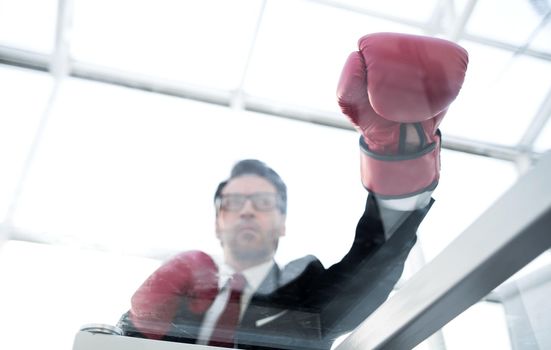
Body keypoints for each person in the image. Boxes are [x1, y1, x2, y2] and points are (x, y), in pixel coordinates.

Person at [117, 32, 468, 349]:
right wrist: (135, 325)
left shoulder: (303, 290)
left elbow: (364, 278)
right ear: (217, 223)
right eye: (234, 202)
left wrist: (399, 155)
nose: (248, 210)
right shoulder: (181, 298)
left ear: (282, 223)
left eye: (263, 202)